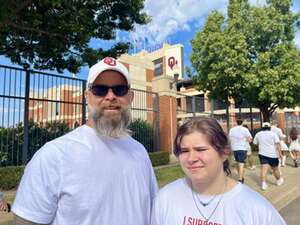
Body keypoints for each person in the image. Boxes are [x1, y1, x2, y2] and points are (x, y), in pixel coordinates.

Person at [12, 57, 158, 224]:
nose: (111, 96)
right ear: (87, 97)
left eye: (120, 89)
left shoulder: (139, 152)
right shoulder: (53, 155)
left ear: (130, 97)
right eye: (100, 90)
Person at [151, 117, 286, 225]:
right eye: (184, 151)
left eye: (201, 149)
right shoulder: (166, 198)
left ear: (224, 152)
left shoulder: (257, 209)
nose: (191, 158)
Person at [253, 122, 284, 190]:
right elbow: (278, 144)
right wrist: (280, 154)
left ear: (262, 127)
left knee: (264, 169)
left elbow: (255, 143)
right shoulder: (273, 134)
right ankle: (279, 180)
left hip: (262, 154)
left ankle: (263, 184)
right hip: (273, 154)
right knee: (275, 169)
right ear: (269, 127)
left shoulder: (258, 134)